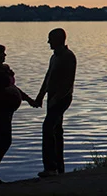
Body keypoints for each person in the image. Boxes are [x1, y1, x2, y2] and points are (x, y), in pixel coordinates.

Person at [0, 42, 35, 185]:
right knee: (4, 142)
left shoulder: (3, 69)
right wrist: (4, 81)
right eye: (1, 53)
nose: (4, 55)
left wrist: (28, 99)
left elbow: (13, 87)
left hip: (6, 111)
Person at [34, 27, 76, 178]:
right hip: (52, 97)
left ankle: (51, 168)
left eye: (50, 39)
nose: (48, 42)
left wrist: (56, 99)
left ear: (58, 39)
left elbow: (67, 82)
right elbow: (48, 77)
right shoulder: (54, 57)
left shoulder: (68, 56)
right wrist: (40, 96)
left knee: (48, 128)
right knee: (56, 130)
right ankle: (59, 168)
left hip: (62, 98)